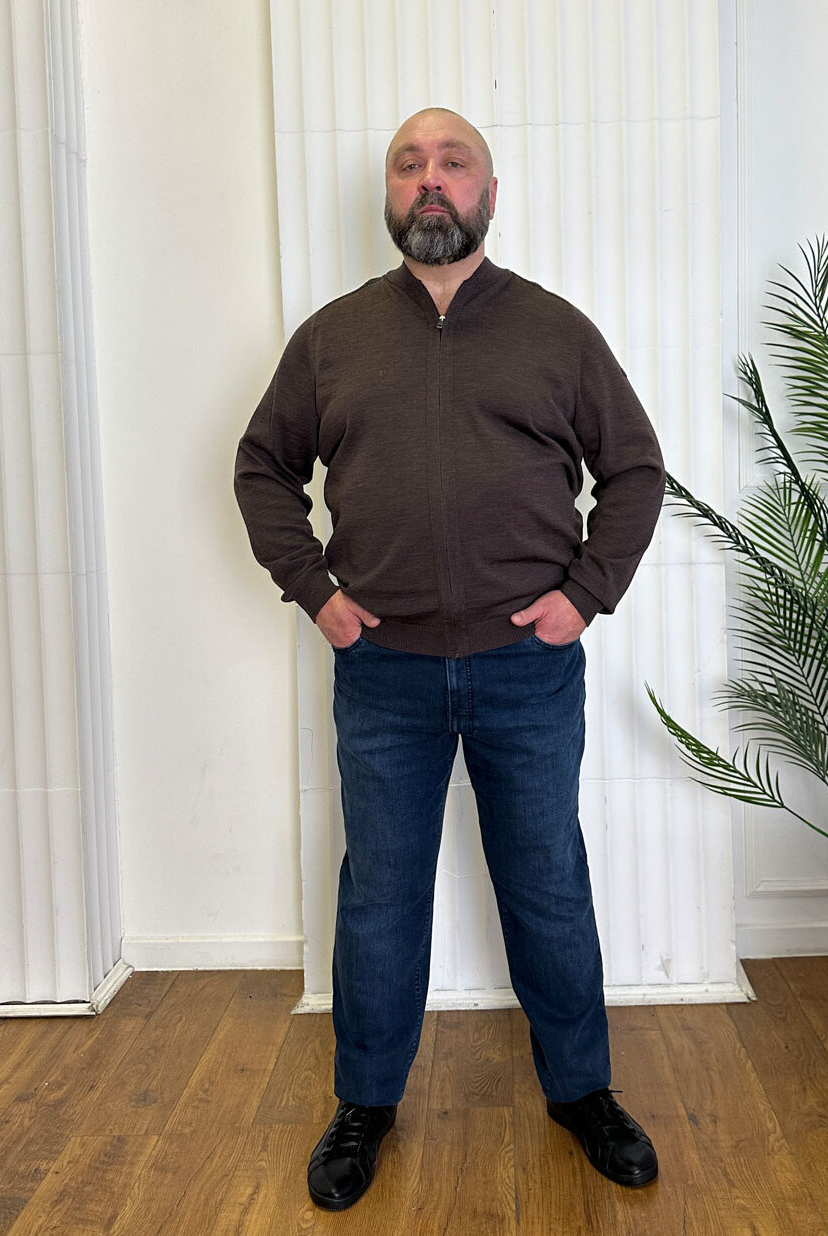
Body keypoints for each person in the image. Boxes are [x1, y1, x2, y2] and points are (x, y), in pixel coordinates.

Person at [234, 108, 665, 1212]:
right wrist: (317, 592)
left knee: (547, 882)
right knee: (381, 893)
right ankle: (365, 1105)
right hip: (385, 672)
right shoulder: (331, 339)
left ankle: (582, 1093)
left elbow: (634, 469)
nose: (431, 179)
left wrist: (584, 594)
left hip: (528, 667)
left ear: (488, 191)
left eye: (453, 162)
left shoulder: (556, 332)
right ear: (390, 194)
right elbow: (262, 468)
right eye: (409, 165)